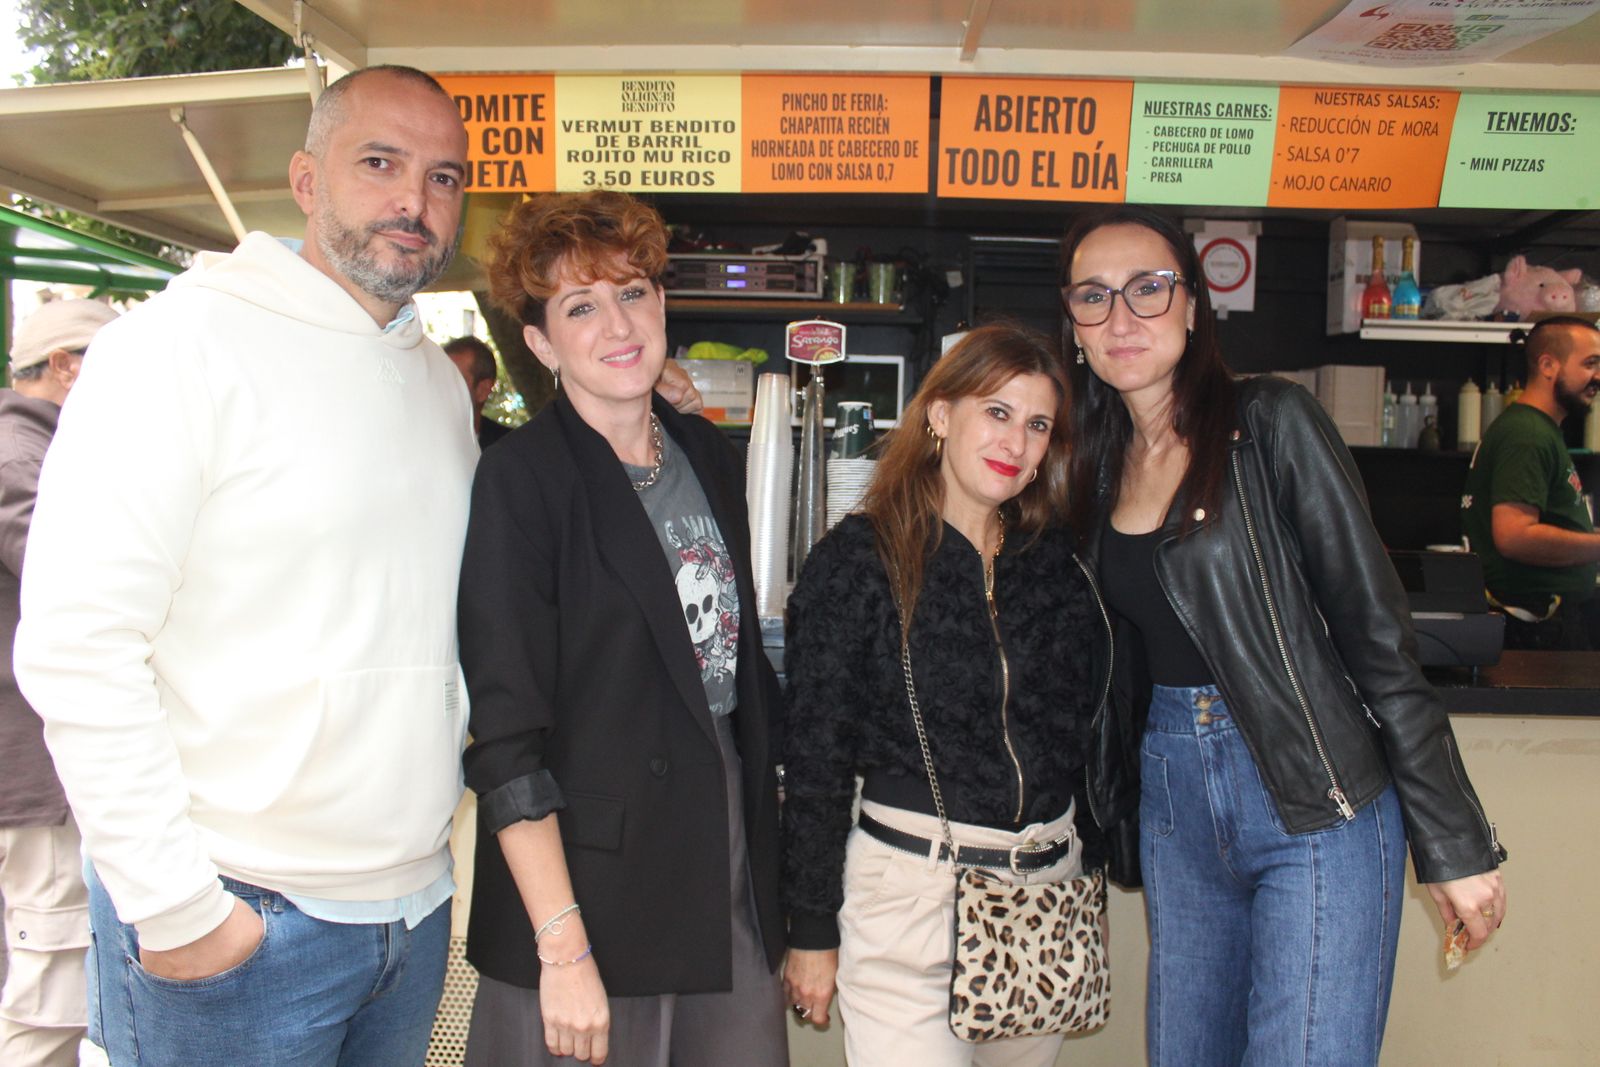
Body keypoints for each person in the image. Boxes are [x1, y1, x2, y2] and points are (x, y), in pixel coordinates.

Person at [12, 65, 482, 1066]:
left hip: (411, 907)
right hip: (242, 920)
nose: (414, 201)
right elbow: (77, 641)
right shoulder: (176, 346)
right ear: (306, 181)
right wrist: (177, 905)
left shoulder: (438, 384)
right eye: (380, 163)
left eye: (443, 177)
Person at [1060, 205, 1506, 1067]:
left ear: (1192, 307)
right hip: (1173, 799)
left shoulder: (1270, 423)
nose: (1121, 317)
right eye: (1093, 296)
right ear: (1073, 327)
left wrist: (1452, 841)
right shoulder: (1095, 465)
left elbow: (1379, 637)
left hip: (1314, 798)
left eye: (1147, 290)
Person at [458, 189, 787, 1067]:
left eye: (633, 291)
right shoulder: (521, 482)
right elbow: (506, 743)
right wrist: (562, 949)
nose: (618, 323)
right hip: (588, 880)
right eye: (580, 306)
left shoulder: (705, 452)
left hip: (721, 858)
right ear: (537, 341)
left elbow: (734, 664)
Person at [781, 322, 1106, 1066]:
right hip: (911, 900)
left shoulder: (1052, 564)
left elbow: (1072, 738)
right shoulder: (859, 561)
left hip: (1040, 896)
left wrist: (1081, 873)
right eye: (996, 412)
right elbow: (816, 762)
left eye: (1037, 424)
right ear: (939, 414)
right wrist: (810, 928)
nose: (1016, 443)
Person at [0, 298, 118, 1067]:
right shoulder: (21, 454)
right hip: (33, 767)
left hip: (32, 764)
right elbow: (75, 576)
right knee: (48, 990)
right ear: (69, 366)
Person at [1462, 316, 1600, 650]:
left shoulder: (1538, 430)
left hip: (1542, 625)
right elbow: (1515, 536)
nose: (1598, 376)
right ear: (1548, 365)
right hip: (1531, 633)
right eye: (1590, 364)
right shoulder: (1528, 435)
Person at [444, 335, 514, 450]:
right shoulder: (415, 439)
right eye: (438, 378)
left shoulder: (510, 450)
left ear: (483, 390)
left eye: (454, 380)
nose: (443, 387)